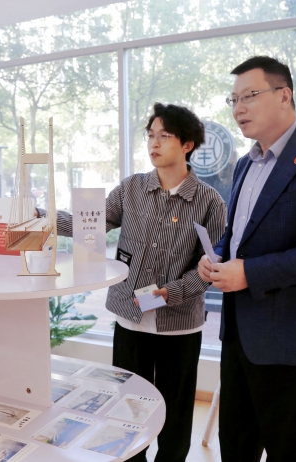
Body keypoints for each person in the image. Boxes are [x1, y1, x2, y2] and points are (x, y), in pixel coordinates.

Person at [198, 56, 296, 461]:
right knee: (235, 447)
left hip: (290, 338)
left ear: (284, 95)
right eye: (233, 99)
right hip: (238, 336)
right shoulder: (245, 164)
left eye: (249, 96)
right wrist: (216, 255)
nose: (238, 108)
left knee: (289, 452)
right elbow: (238, 236)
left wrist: (249, 273)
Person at [53, 103, 227, 461]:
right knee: (127, 408)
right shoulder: (131, 188)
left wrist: (170, 293)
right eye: (150, 136)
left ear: (187, 145)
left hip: (180, 325)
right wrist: (46, 219)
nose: (154, 143)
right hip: (130, 318)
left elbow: (209, 269)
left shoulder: (210, 201)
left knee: (176, 411)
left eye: (164, 136)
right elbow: (92, 224)